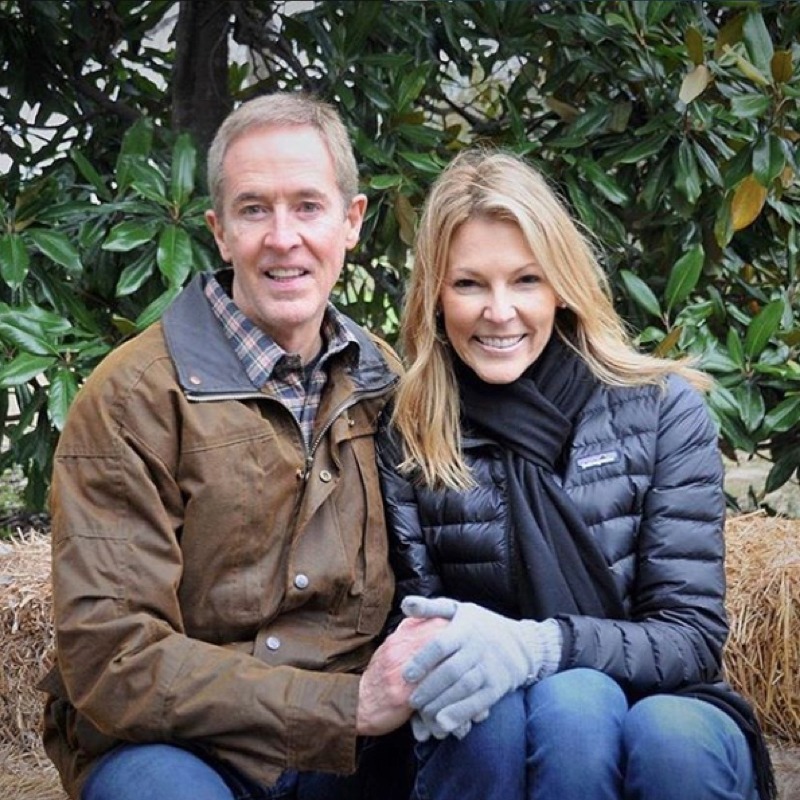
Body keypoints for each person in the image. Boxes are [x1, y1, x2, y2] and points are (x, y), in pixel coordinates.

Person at [40, 91, 442, 800]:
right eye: (255, 209)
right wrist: (340, 707)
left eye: (308, 207)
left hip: (351, 749)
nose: (283, 237)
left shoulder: (386, 380)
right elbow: (113, 658)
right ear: (219, 231)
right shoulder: (132, 397)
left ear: (351, 223)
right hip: (175, 747)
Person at [377, 149, 776, 800]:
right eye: (469, 283)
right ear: (434, 295)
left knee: (662, 736)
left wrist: (539, 648)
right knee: (563, 714)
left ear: (561, 284)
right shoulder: (415, 434)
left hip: (671, 700)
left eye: (526, 280)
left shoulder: (660, 410)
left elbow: (691, 638)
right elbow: (424, 631)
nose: (499, 311)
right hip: (507, 713)